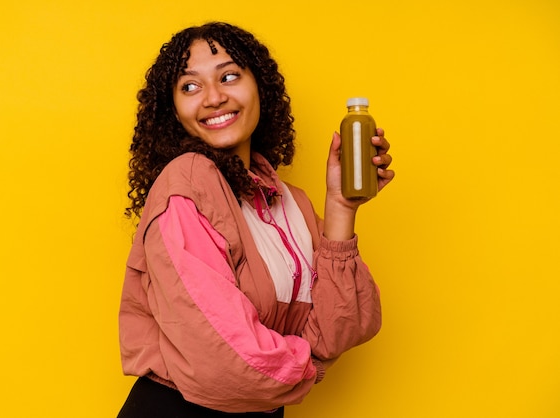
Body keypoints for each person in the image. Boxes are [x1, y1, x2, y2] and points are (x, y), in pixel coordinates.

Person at [117, 21, 394, 418]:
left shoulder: (288, 202)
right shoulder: (187, 180)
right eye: (190, 86)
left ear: (260, 88)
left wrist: (340, 206)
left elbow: (350, 323)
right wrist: (310, 365)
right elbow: (223, 359)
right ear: (174, 112)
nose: (213, 98)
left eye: (229, 76)